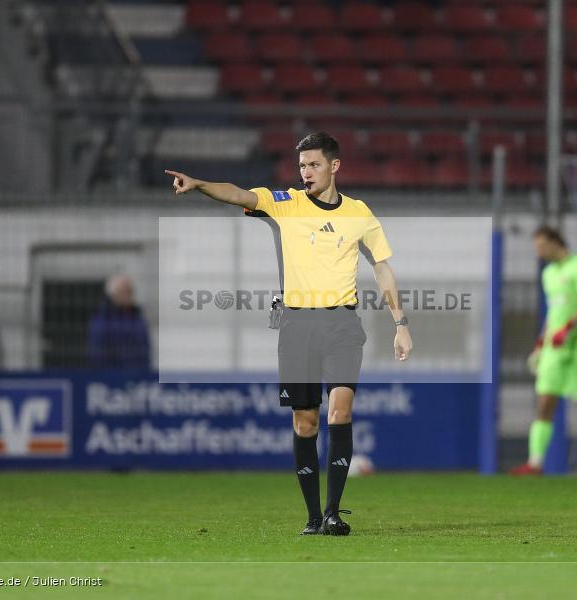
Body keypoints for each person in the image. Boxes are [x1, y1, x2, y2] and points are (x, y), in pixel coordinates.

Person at [165, 132, 412, 536]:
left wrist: (401, 324)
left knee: (341, 411)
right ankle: (313, 517)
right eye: (301, 166)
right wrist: (200, 185)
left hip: (342, 324)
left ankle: (333, 512)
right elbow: (241, 195)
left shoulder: (359, 213)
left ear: (334, 166)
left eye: (313, 164)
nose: (306, 172)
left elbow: (382, 267)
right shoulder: (287, 204)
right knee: (305, 423)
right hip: (297, 325)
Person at [510, 226, 577, 477]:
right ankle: (535, 462)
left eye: (540, 246)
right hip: (554, 346)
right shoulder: (548, 274)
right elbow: (554, 312)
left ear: (554, 242)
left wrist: (568, 328)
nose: (538, 251)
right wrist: (541, 341)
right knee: (545, 400)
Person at [87, 274, 152, 370]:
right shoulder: (103, 320)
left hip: (138, 374)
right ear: (112, 294)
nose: (128, 295)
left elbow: (145, 350)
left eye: (130, 291)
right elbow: (98, 353)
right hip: (112, 376)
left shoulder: (138, 318)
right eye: (123, 291)